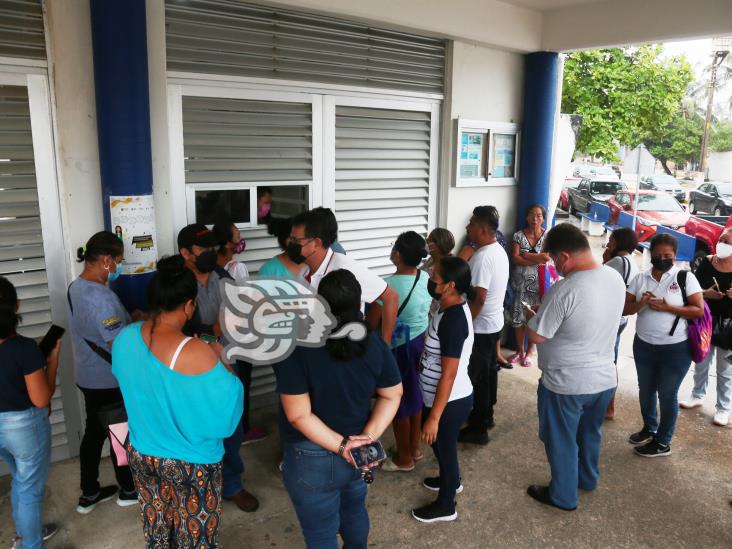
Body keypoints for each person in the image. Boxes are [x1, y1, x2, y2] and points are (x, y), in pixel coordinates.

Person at [112, 255, 243, 548]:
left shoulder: (124, 338)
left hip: (142, 452)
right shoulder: (199, 351)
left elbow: (131, 380)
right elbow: (227, 417)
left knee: (158, 526)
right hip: (191, 463)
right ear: (188, 305)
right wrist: (222, 359)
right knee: (193, 537)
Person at [277, 269, 402, 548]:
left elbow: (298, 414)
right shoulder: (374, 342)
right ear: (359, 303)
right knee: (354, 511)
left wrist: (342, 446)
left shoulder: (298, 345)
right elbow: (392, 395)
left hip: (312, 456)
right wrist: (366, 439)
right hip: (359, 454)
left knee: (321, 534)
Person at [523, 223, 625, 511]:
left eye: (555, 260)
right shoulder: (613, 277)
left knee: (561, 440)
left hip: (566, 383)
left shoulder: (565, 289)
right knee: (589, 433)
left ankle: (563, 496)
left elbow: (537, 334)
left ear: (564, 256)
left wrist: (534, 316)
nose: (555, 266)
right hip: (604, 379)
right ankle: (587, 479)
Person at [178, 223, 259, 512]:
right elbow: (180, 332)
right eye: (204, 249)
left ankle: (233, 484)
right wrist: (214, 331)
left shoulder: (223, 277)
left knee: (232, 429)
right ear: (185, 253)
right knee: (197, 431)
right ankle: (198, 488)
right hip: (191, 371)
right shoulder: (176, 283)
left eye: (213, 247)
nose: (211, 253)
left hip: (226, 366)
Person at [67, 231, 136, 513]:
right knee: (119, 435)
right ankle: (129, 489)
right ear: (106, 260)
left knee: (94, 433)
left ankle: (90, 492)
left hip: (87, 375)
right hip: (107, 380)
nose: (119, 267)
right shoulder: (101, 298)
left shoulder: (76, 286)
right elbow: (117, 344)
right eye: (118, 261)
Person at [624, 233, 704, 457]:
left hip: (675, 348)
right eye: (657, 255)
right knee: (646, 390)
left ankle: (663, 441)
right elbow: (625, 309)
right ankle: (650, 427)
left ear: (675, 255)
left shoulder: (684, 278)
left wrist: (669, 307)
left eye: (667, 255)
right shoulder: (640, 279)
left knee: (667, 393)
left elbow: (698, 309)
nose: (661, 259)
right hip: (644, 345)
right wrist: (642, 302)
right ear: (650, 254)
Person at [413, 257, 475, 523]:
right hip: (439, 397)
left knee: (445, 448)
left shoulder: (453, 320)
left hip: (450, 401)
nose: (430, 279)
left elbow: (449, 374)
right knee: (441, 447)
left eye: (435, 276)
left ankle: (446, 505)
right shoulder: (447, 307)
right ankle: (451, 480)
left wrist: (434, 418)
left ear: (450, 285)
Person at [0, 277, 61, 549]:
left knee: (20, 480)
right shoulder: (23, 349)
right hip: (22, 427)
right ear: (16, 306)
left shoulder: (24, 349)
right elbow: (41, 399)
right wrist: (53, 359)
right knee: (29, 489)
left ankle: (26, 534)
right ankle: (30, 544)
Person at [288, 209, 399, 343]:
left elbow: (391, 296)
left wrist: (384, 345)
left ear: (316, 243)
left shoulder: (345, 267)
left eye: (295, 240)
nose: (290, 244)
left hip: (345, 349)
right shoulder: (304, 269)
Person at [370, 232, 431, 472]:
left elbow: (372, 322)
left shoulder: (387, 287)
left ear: (398, 254)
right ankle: (414, 448)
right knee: (415, 396)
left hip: (399, 350)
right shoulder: (425, 277)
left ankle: (403, 458)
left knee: (398, 401)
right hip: (421, 344)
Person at [212, 219, 268, 445]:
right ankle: (241, 431)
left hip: (221, 337)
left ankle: (231, 428)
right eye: (237, 236)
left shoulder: (215, 269)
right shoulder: (236, 269)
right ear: (226, 244)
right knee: (240, 382)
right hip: (234, 337)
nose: (240, 240)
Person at [458, 206, 509, 445]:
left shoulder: (483, 257)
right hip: (493, 323)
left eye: (471, 223)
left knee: (476, 378)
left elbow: (478, 297)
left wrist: (465, 325)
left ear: (481, 228)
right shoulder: (498, 250)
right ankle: (486, 416)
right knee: (487, 374)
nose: (467, 227)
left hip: (481, 327)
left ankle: (478, 428)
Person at [680, 228, 732, 426]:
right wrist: (705, 294)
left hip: (729, 325)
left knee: (725, 369)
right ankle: (697, 395)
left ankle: (723, 407)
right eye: (721, 239)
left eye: (727, 242)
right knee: (701, 361)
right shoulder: (707, 262)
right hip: (706, 321)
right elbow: (691, 290)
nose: (722, 244)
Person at [602, 227, 640, 420]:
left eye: (611, 240)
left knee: (606, 363)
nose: (609, 242)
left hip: (611, 319)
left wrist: (604, 259)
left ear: (618, 242)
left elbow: (596, 278)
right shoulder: (632, 262)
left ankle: (609, 407)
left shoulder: (617, 261)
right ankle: (609, 406)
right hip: (621, 319)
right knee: (611, 361)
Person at [508, 204, 550, 367]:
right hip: (520, 283)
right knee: (518, 316)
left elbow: (547, 257)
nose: (535, 219)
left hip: (539, 284)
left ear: (543, 218)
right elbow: (515, 258)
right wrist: (537, 257)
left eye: (539, 216)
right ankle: (520, 350)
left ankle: (530, 350)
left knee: (534, 315)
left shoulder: (548, 235)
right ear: (526, 217)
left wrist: (527, 255)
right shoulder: (518, 235)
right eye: (532, 215)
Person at [212, 218, 249, 284]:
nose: (241, 239)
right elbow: (245, 292)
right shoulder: (238, 268)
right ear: (227, 244)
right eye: (238, 237)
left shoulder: (210, 263)